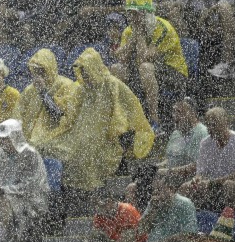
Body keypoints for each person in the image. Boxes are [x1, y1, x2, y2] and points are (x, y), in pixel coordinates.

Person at [46, 48, 155, 194]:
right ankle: (69, 192)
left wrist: (113, 129)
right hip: (82, 130)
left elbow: (127, 110)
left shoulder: (112, 84)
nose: (84, 76)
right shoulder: (82, 88)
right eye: (82, 72)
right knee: (52, 145)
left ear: (94, 68)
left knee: (86, 147)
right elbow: (71, 113)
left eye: (86, 71)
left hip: (107, 133)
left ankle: (90, 189)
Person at [111, 0, 188, 125]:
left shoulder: (163, 27)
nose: (133, 18)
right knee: (116, 69)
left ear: (146, 13)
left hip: (173, 73)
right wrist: (134, 35)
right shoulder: (129, 30)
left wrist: (139, 34)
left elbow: (144, 58)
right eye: (130, 13)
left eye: (136, 14)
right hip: (145, 72)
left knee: (145, 67)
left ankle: (154, 120)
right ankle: (121, 118)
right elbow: (121, 58)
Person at [183, 108, 235, 210]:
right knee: (185, 188)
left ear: (226, 123)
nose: (211, 128)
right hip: (213, 185)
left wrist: (211, 183)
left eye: (214, 124)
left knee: (229, 186)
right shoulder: (205, 143)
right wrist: (196, 180)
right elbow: (201, 172)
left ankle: (231, 221)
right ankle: (197, 221)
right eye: (208, 124)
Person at [15, 49, 76, 153]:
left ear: (50, 68)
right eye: (35, 71)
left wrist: (43, 92)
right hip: (30, 145)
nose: (38, 75)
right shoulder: (29, 90)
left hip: (55, 144)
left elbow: (58, 116)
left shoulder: (66, 86)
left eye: (41, 71)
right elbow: (17, 116)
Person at [160, 98, 208, 182]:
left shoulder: (202, 133)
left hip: (190, 181)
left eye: (178, 112)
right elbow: (170, 159)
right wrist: (155, 167)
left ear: (192, 114)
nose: (174, 115)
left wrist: (167, 171)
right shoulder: (176, 133)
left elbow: (197, 166)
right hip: (170, 179)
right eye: (173, 111)